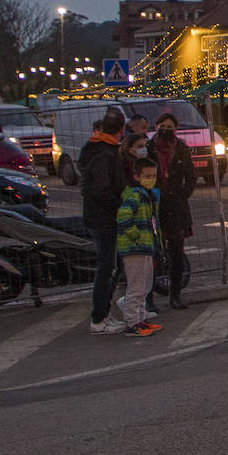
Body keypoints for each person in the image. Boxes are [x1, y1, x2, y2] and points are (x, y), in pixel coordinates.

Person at [80, 108, 127, 334]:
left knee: (109, 266)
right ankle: (99, 318)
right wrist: (119, 204)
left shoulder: (94, 148)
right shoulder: (105, 153)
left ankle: (102, 315)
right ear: (121, 130)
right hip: (105, 218)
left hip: (98, 216)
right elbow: (101, 189)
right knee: (107, 267)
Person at [151, 113, 195, 309]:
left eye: (170, 126)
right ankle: (147, 298)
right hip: (154, 206)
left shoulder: (181, 149)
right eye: (163, 126)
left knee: (177, 253)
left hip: (176, 207)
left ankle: (175, 294)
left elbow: (191, 175)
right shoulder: (149, 148)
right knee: (152, 252)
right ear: (156, 126)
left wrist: (183, 194)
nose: (166, 129)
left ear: (176, 129)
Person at [116, 158, 163, 337]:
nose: (151, 179)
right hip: (135, 248)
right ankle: (132, 323)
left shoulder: (147, 196)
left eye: (153, 176)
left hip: (145, 247)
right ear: (136, 176)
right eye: (147, 176)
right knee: (136, 286)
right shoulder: (135, 195)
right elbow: (123, 217)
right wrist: (135, 236)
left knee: (144, 285)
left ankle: (140, 319)